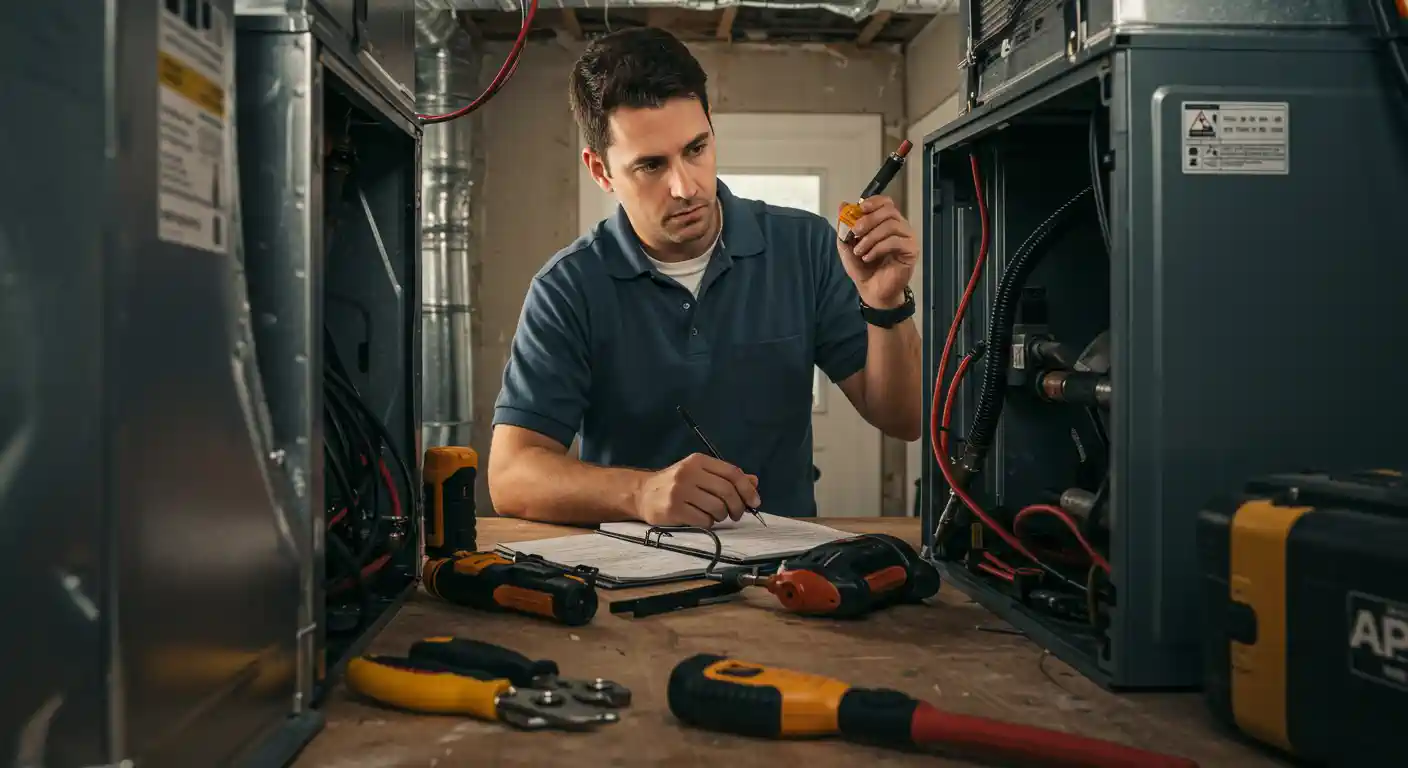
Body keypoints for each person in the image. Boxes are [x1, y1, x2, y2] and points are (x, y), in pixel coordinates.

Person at [487, 27, 923, 528]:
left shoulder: (807, 246)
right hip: (632, 571)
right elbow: (510, 475)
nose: (685, 187)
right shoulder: (566, 288)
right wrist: (640, 493)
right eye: (650, 165)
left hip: (787, 572)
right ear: (601, 171)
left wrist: (885, 305)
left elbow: (905, 420)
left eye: (695, 149)